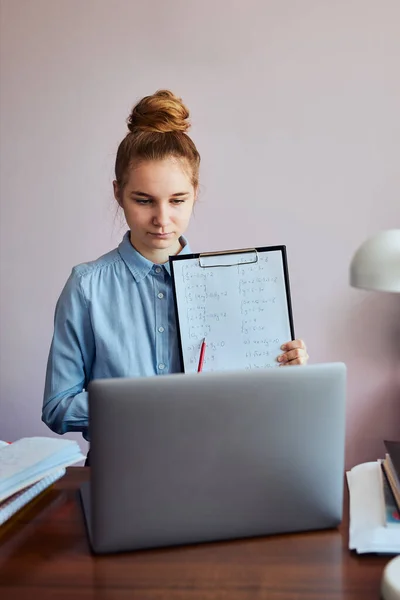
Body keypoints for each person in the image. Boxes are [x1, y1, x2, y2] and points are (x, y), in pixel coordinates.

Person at [42, 90, 309, 453]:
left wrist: (288, 376)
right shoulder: (87, 287)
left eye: (177, 200)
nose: (162, 219)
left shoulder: (231, 286)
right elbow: (58, 406)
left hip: (214, 465)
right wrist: (148, 404)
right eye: (143, 200)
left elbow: (255, 405)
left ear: (195, 193)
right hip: (121, 471)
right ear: (118, 193)